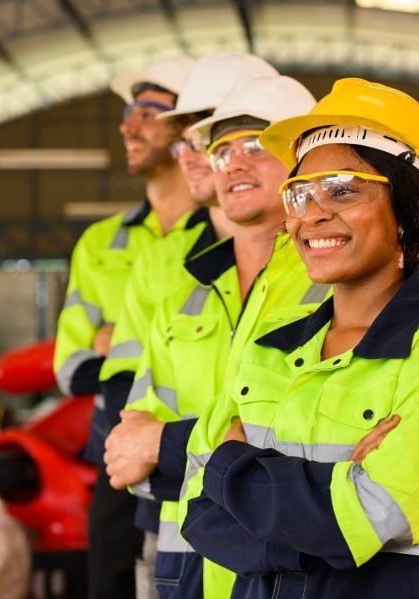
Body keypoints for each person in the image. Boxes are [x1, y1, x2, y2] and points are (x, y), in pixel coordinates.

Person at [180, 77, 419, 598]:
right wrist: (330, 508)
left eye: (344, 190)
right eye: (301, 193)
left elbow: (369, 515)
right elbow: (197, 513)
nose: (313, 214)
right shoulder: (268, 347)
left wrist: (229, 467)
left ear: (405, 207)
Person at [104, 74, 328, 598]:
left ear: (303, 162)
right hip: (186, 555)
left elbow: (318, 447)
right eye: (221, 150)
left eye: (256, 143)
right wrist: (190, 447)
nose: (235, 163)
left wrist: (168, 444)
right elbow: (128, 453)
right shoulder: (188, 289)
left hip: (290, 561)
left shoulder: (332, 283)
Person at [53, 54, 196, 599]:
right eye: (127, 112)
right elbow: (71, 364)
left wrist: (119, 343)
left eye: (148, 110)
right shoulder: (99, 244)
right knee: (112, 578)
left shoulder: (232, 239)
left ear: (189, 129)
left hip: (195, 442)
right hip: (115, 442)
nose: (127, 125)